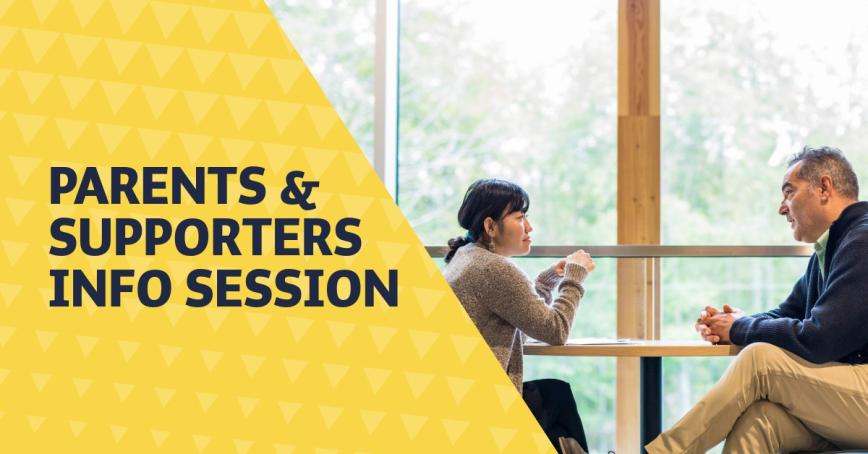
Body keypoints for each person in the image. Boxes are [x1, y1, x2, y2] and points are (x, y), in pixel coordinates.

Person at [647, 147, 868, 453]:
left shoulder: (862, 241)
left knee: (759, 359)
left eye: (789, 192)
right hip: (848, 402)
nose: (782, 208)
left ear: (824, 188)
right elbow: (787, 313)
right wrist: (735, 322)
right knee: (759, 421)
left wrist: (740, 328)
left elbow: (821, 338)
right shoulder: (832, 246)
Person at [442, 179, 596, 454]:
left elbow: (515, 319)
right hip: (486, 406)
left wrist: (548, 280)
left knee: (554, 396)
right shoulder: (494, 269)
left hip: (459, 400)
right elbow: (555, 331)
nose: (529, 227)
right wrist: (575, 278)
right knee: (556, 400)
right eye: (520, 217)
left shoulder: (467, 257)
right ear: (490, 226)